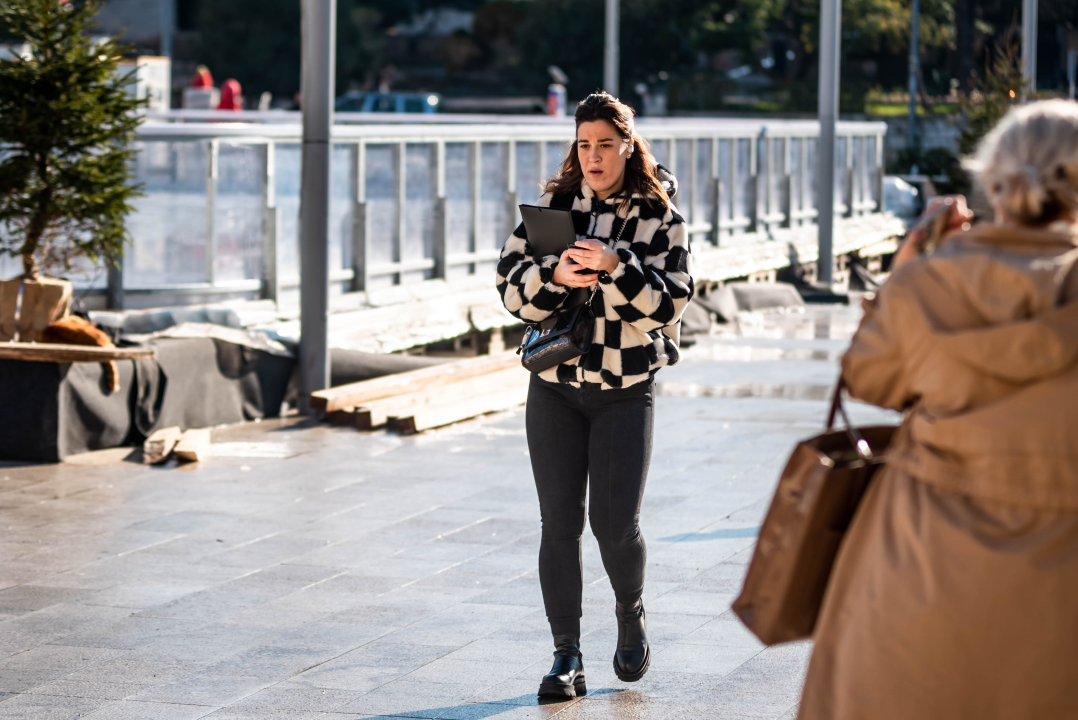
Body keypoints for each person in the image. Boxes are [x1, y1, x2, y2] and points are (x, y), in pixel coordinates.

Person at [799, 99, 1078, 719]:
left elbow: (868, 374)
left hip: (917, 568)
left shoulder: (931, 283)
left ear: (995, 180)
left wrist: (910, 261)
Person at [496, 92, 694, 699]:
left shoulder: (660, 216)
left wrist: (615, 266)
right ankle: (566, 656)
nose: (594, 156)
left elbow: (670, 304)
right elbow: (508, 286)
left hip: (624, 391)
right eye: (584, 144)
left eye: (606, 144)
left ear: (628, 147)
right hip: (554, 387)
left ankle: (629, 613)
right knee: (558, 525)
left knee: (615, 526)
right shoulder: (553, 206)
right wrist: (553, 276)